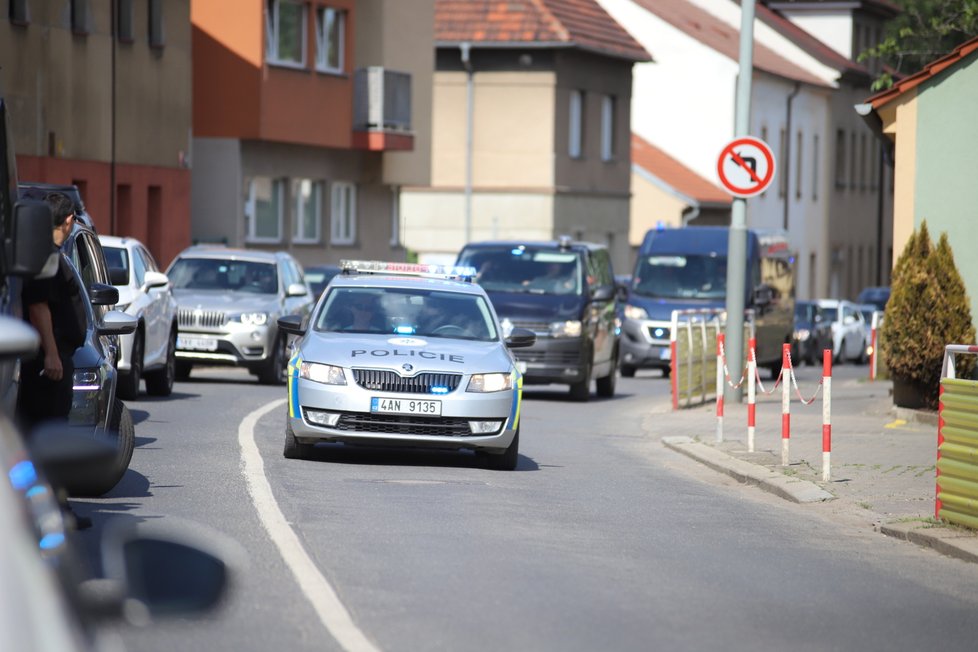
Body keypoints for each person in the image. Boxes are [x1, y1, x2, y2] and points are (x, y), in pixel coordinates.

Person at [16, 192, 89, 529]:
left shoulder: (45, 252)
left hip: (51, 356)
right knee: (52, 439)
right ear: (70, 221)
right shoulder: (45, 255)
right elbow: (39, 306)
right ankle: (57, 514)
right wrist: (52, 353)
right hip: (50, 362)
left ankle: (49, 510)